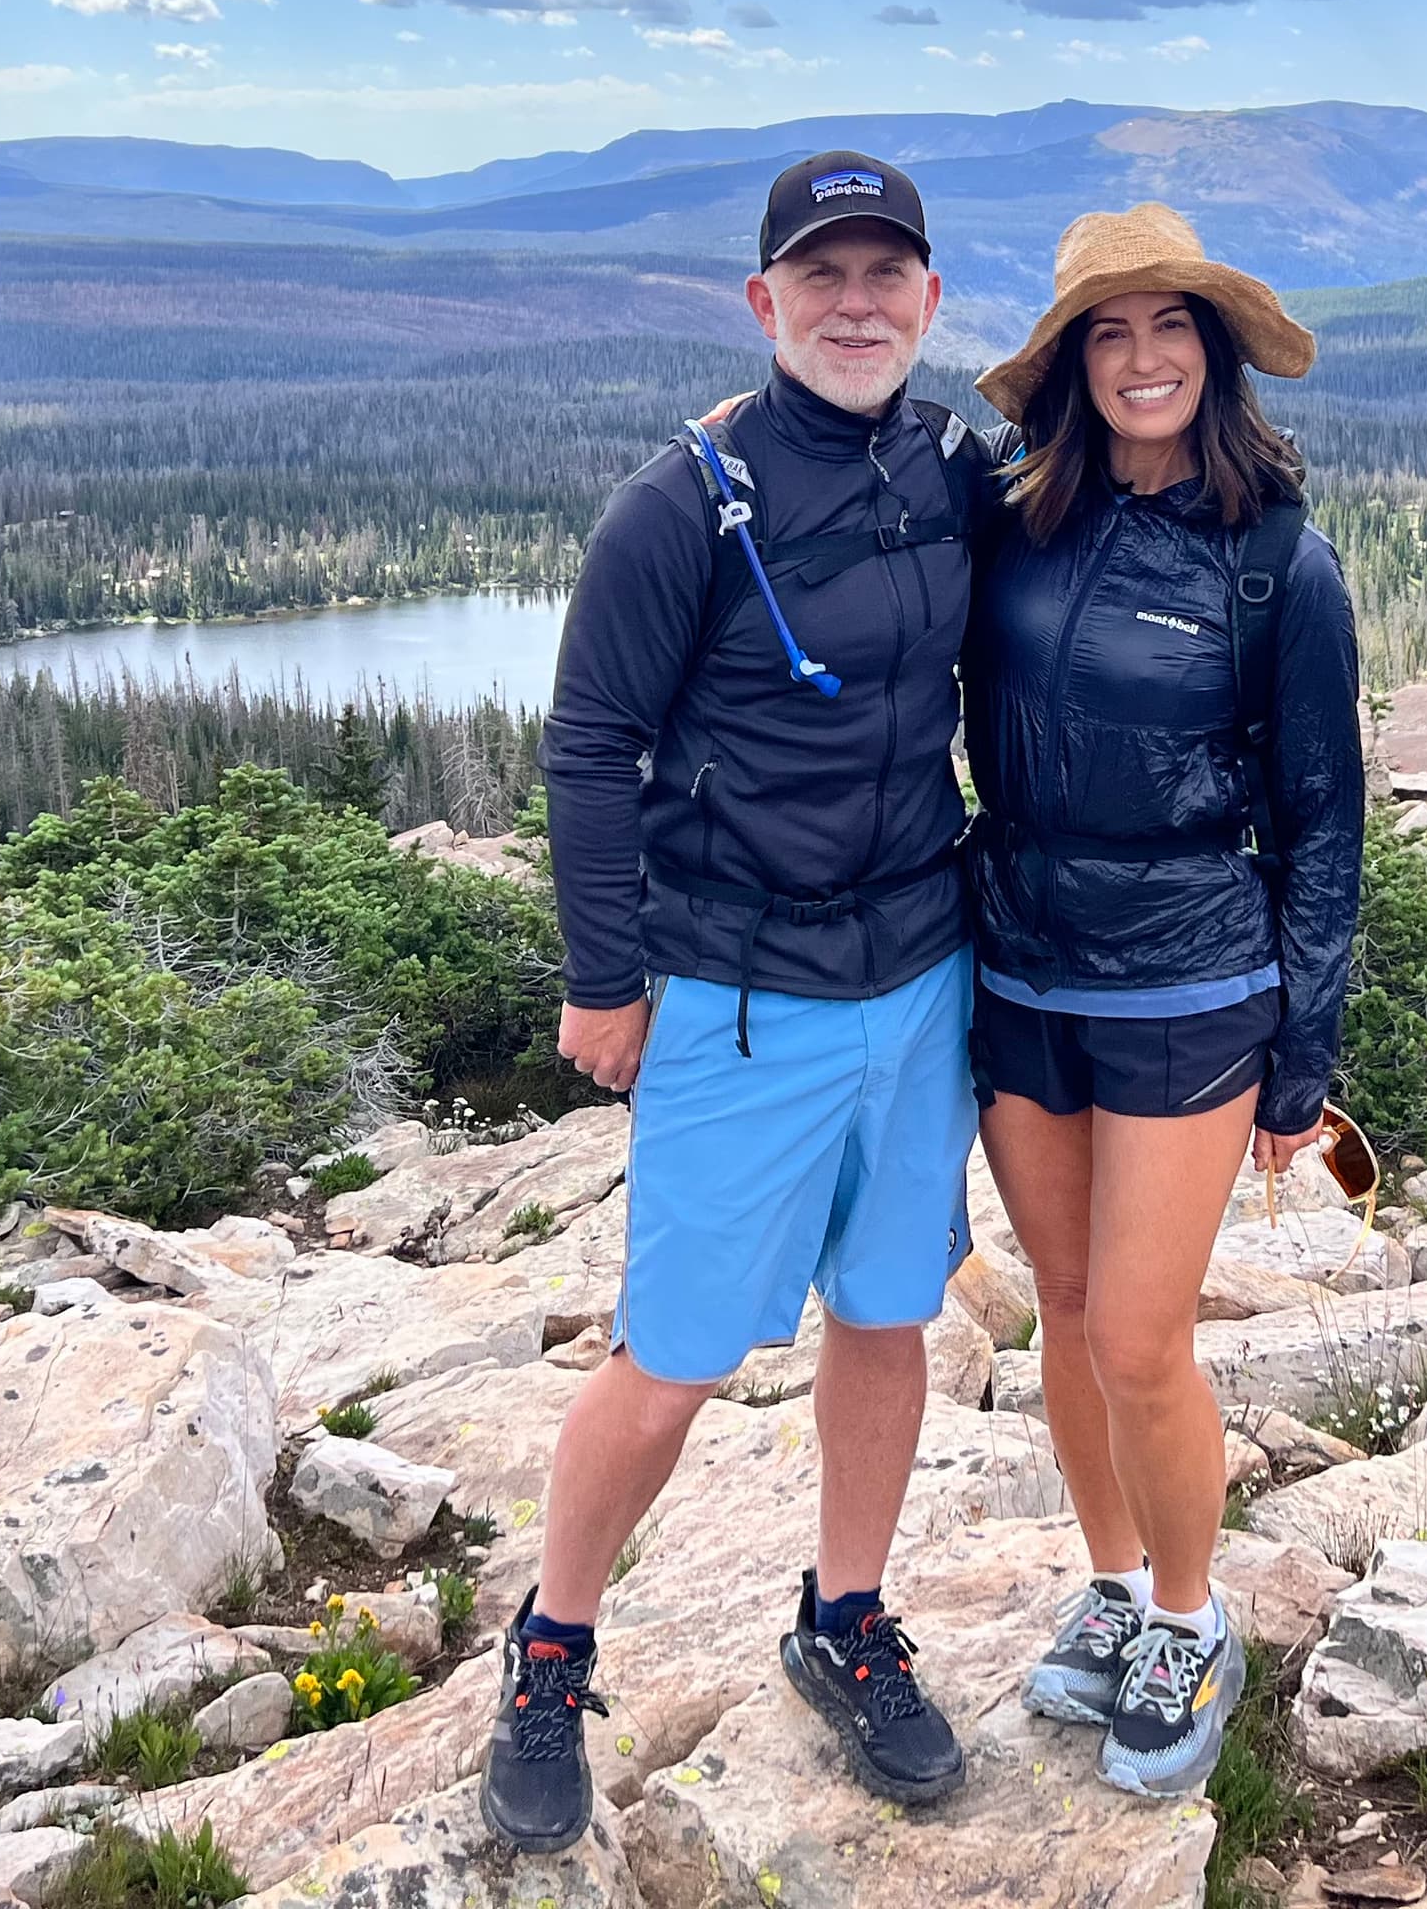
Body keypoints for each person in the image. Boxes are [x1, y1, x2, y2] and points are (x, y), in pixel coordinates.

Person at [482, 149, 992, 1854]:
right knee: (678, 1353)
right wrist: (603, 975)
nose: (857, 306)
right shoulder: (683, 501)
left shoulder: (952, 465)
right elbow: (589, 745)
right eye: (821, 278)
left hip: (922, 976)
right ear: (765, 303)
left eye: (886, 276)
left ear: (929, 298)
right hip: (740, 992)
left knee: (885, 1310)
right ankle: (551, 1650)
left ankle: (844, 1621)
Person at [959, 202, 1363, 1801]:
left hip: (1192, 977)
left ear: (1213, 352)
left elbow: (1326, 820)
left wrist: (1304, 1054)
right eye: (1108, 333)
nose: (1141, 359)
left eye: (1168, 328)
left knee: (1137, 1335)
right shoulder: (1010, 521)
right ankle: (1119, 1591)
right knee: (1063, 1314)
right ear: (1071, 365)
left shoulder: (1278, 564)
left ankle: (1194, 1625)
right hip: (1018, 963)